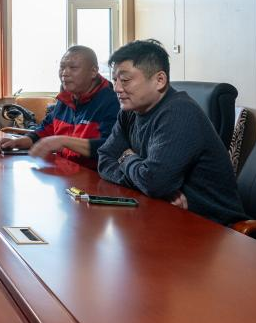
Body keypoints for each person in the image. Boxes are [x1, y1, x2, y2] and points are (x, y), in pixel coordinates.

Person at [97, 39, 245, 226]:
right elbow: (104, 159)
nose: (117, 88)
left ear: (159, 80)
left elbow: (154, 182)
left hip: (216, 228)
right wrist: (147, 184)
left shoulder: (179, 112)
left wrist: (127, 158)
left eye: (125, 80)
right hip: (166, 215)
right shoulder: (129, 112)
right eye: (115, 80)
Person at [0, 46, 119, 169]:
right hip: (65, 171)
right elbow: (45, 129)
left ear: (93, 71)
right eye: (62, 67)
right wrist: (21, 141)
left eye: (73, 68)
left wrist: (63, 141)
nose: (65, 73)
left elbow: (111, 147)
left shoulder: (112, 102)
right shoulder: (66, 99)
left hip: (95, 175)